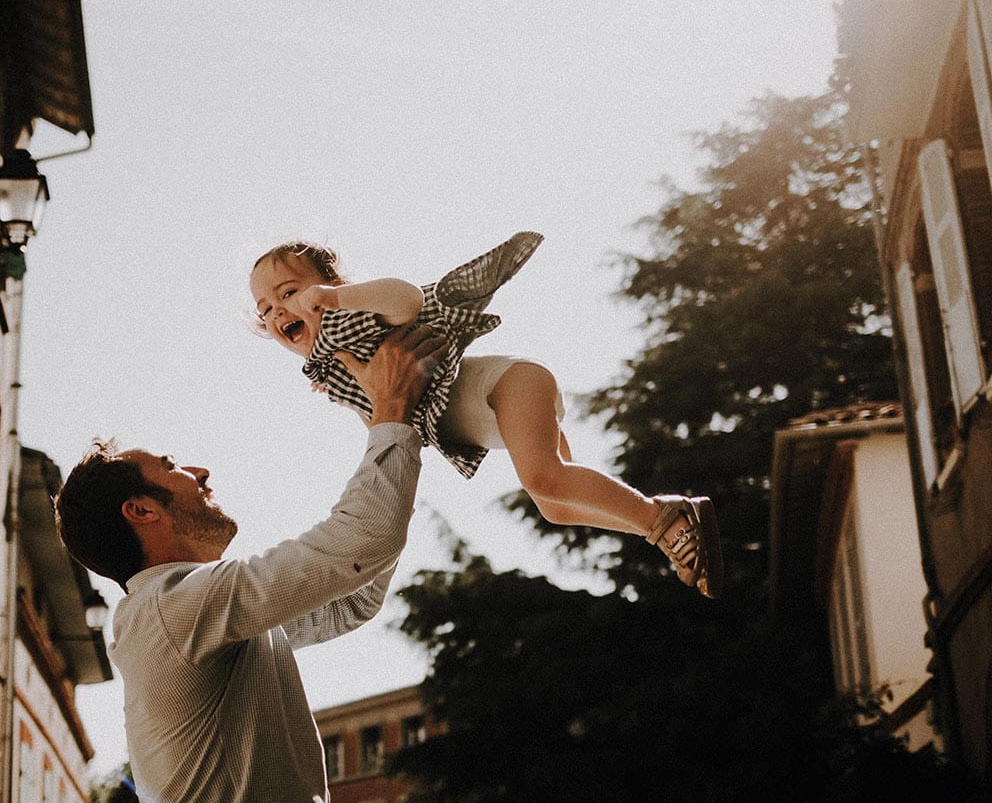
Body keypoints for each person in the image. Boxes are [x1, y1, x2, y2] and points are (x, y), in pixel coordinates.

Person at [54, 325, 449, 803]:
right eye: (171, 467)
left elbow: (351, 590)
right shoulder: (175, 603)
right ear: (141, 511)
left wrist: (400, 426)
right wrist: (392, 415)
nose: (198, 468)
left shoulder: (203, 613)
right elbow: (350, 545)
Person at [249, 232, 723, 596]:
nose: (278, 311)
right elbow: (389, 426)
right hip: (498, 418)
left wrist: (337, 299)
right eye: (265, 308)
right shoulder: (332, 373)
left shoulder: (354, 313)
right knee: (555, 504)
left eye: (289, 291)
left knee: (545, 478)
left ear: (330, 283)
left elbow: (408, 298)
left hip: (509, 385)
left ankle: (665, 519)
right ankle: (659, 525)